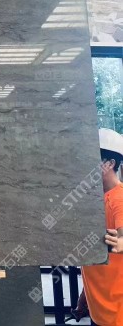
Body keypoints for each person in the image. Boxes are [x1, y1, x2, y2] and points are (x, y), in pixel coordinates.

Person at [74, 128, 123, 326]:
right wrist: (84, 298)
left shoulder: (119, 199)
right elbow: (96, 256)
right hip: (100, 311)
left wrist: (121, 242)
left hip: (117, 313)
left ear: (110, 163)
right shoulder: (97, 200)